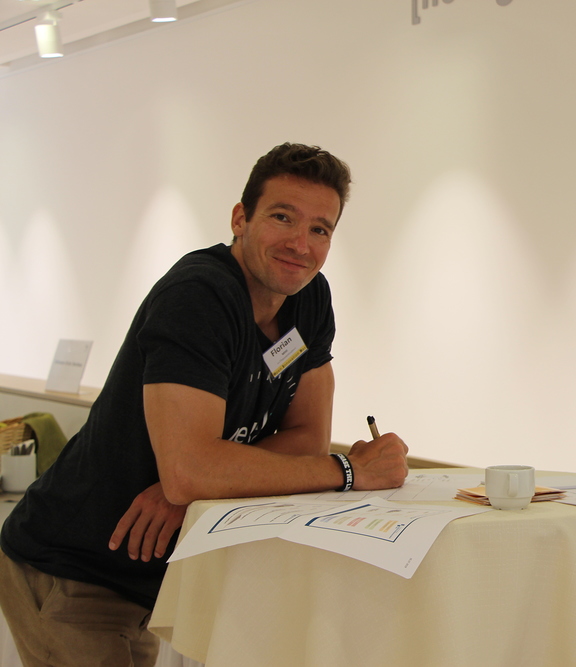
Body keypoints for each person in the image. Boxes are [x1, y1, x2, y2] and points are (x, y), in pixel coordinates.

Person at [0, 143, 410, 667]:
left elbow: (305, 437)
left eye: (319, 229)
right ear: (240, 219)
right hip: (72, 568)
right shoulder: (199, 297)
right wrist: (348, 471)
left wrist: (203, 480)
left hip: (149, 577)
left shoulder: (309, 300)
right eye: (282, 217)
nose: (300, 244)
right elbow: (190, 470)